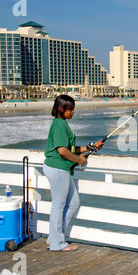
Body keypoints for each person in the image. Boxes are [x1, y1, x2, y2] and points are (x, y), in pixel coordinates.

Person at [43, 94, 104, 251]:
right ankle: (57, 244)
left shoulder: (61, 124)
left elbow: (69, 148)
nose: (73, 112)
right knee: (59, 205)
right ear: (61, 109)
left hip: (61, 168)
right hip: (57, 167)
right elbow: (62, 151)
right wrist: (79, 160)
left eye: (73, 109)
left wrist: (90, 147)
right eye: (70, 109)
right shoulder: (59, 125)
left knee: (73, 203)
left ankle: (54, 238)